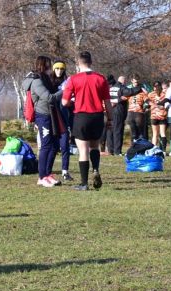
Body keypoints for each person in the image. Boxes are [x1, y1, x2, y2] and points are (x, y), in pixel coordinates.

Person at [61, 51, 112, 191]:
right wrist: (110, 119)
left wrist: (73, 102)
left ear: (78, 63)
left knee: (83, 150)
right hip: (97, 116)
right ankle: (95, 169)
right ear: (91, 62)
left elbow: (64, 102)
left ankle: (84, 183)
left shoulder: (73, 79)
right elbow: (107, 103)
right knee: (94, 146)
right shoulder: (101, 78)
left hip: (81, 116)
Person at [22, 55, 65, 187]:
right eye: (49, 64)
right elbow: (49, 97)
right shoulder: (37, 81)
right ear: (44, 65)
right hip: (43, 116)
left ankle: (47, 173)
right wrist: (64, 90)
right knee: (46, 145)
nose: (50, 67)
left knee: (54, 146)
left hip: (51, 115)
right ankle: (42, 177)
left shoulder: (45, 78)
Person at [50, 59, 74, 181]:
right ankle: (47, 172)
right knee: (52, 147)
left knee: (65, 146)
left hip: (64, 117)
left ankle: (65, 171)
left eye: (62, 68)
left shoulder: (68, 82)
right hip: (52, 118)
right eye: (57, 68)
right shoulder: (49, 82)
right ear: (53, 69)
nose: (59, 71)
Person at [108, 75, 142, 156]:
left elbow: (110, 99)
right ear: (123, 81)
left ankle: (110, 149)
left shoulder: (112, 88)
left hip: (111, 110)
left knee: (111, 130)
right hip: (119, 110)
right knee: (118, 130)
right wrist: (139, 88)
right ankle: (117, 151)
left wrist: (118, 99)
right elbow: (130, 92)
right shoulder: (121, 87)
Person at [126, 74, 148, 143]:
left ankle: (140, 146)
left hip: (139, 112)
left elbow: (147, 99)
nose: (136, 83)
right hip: (131, 112)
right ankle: (133, 147)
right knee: (133, 132)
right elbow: (123, 97)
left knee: (140, 131)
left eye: (137, 82)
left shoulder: (142, 90)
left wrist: (147, 106)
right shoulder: (129, 90)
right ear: (132, 81)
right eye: (135, 82)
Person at [147, 81, 168, 150]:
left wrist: (152, 105)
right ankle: (163, 150)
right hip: (162, 115)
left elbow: (147, 102)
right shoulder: (164, 94)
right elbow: (167, 104)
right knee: (163, 134)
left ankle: (153, 150)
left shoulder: (150, 94)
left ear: (154, 87)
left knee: (155, 134)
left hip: (154, 116)